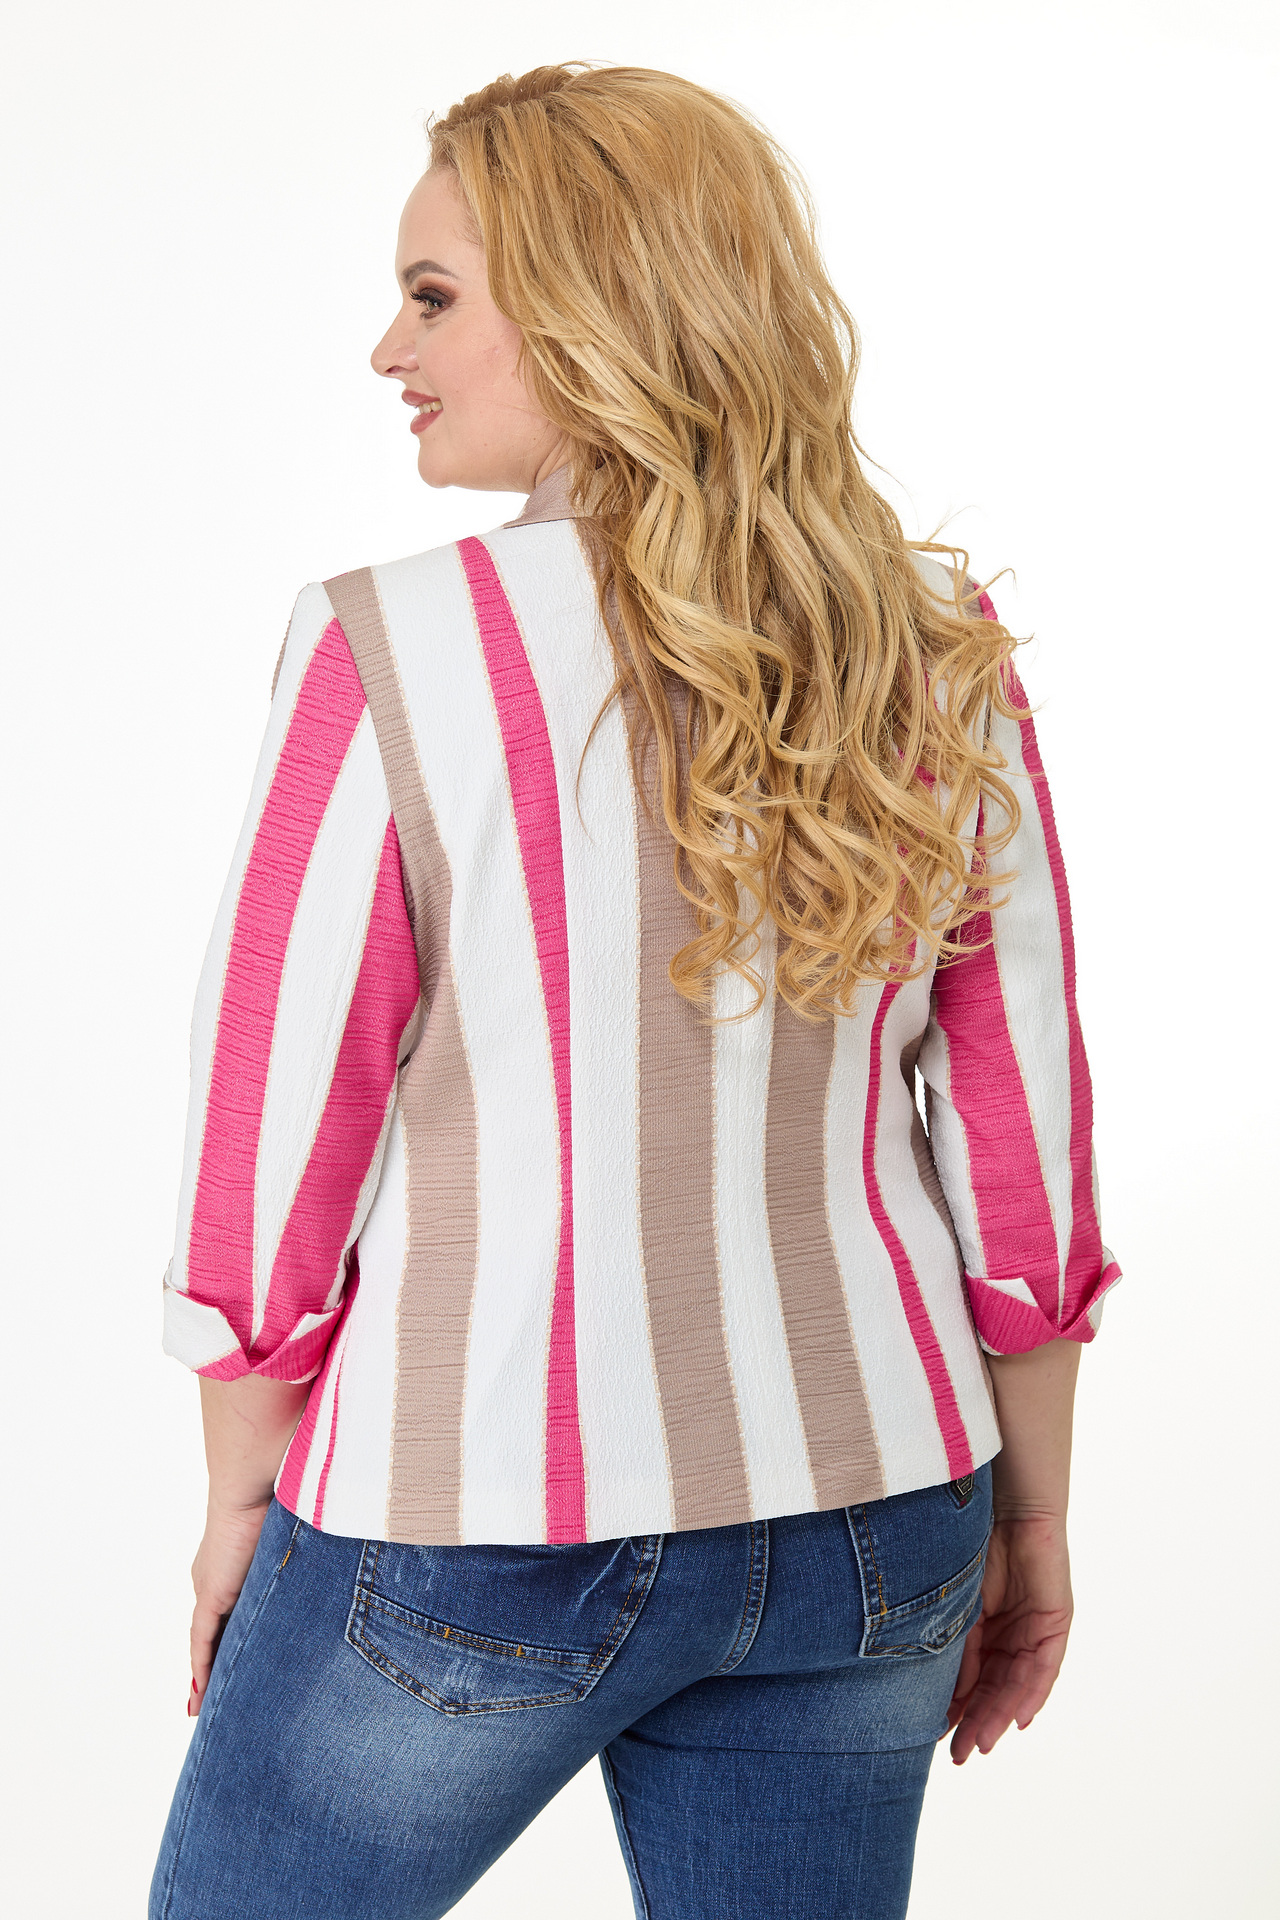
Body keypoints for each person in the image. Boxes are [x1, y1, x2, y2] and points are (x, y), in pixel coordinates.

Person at [149, 62, 1120, 1920]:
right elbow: (1025, 1150)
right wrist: (1037, 1511)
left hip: (470, 1521)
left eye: (432, 295)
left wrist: (239, 1505)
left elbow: (270, 1139)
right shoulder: (931, 654)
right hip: (879, 1506)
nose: (387, 349)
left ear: (592, 304)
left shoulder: (385, 647)